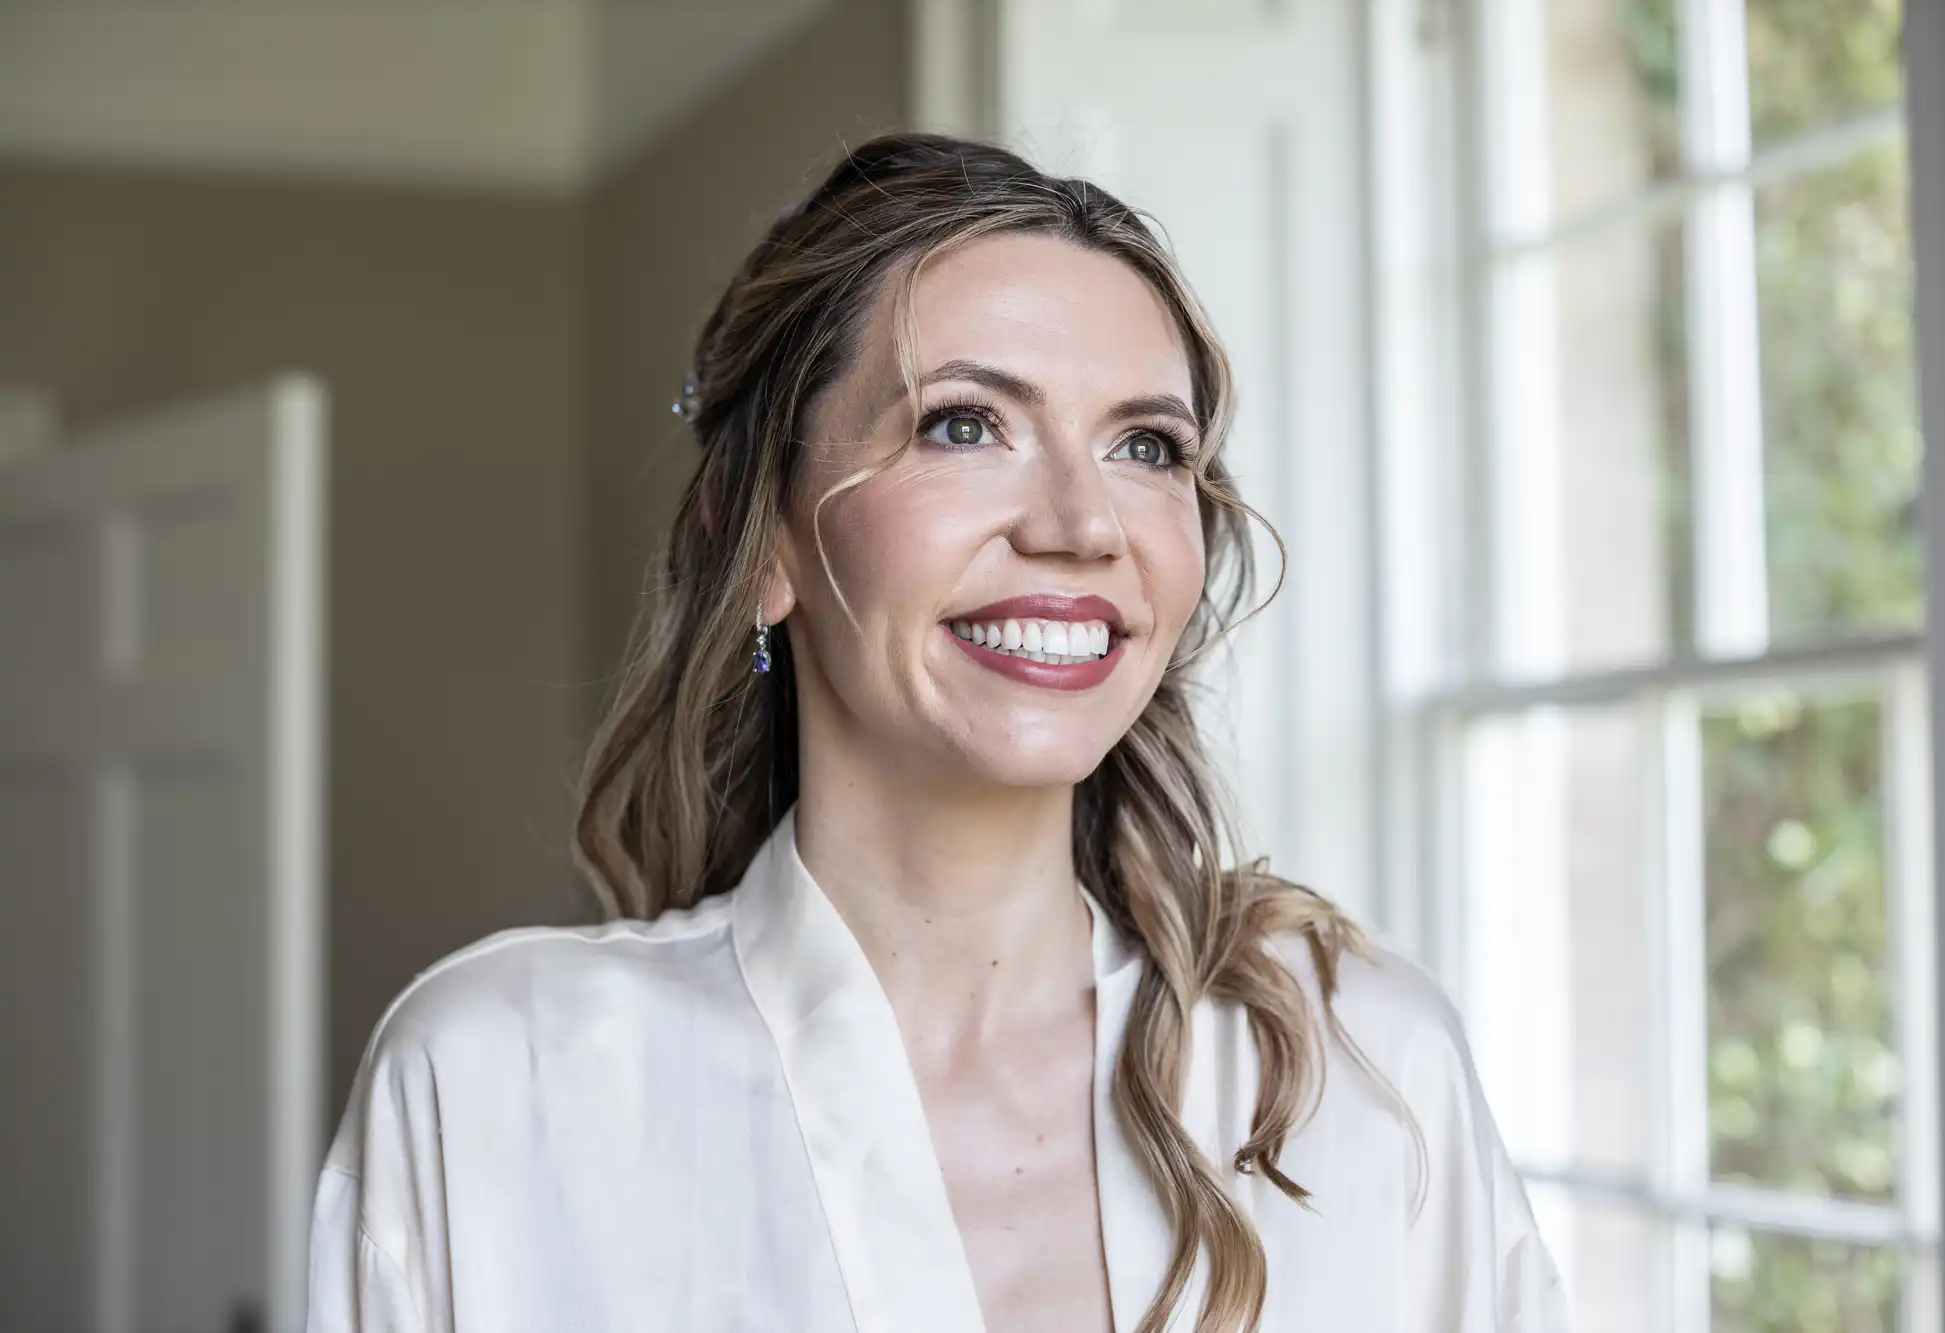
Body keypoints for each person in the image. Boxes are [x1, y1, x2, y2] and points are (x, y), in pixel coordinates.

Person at [304, 132, 1568, 1333]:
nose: (1080, 523)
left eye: (1145, 445)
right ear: (766, 541)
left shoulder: (1358, 1063)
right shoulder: (493, 1084)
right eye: (964, 423)